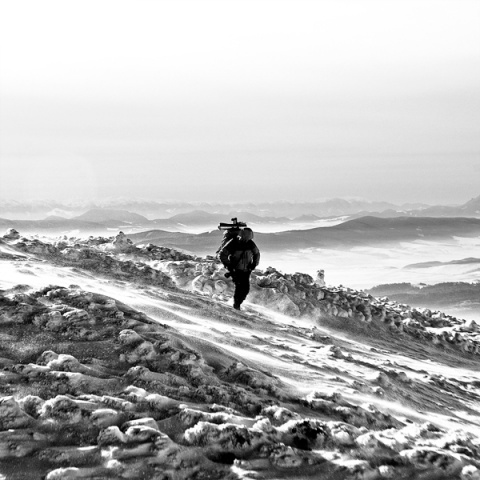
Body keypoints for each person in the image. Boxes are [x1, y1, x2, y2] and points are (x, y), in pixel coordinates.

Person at [219, 228, 260, 310]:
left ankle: (238, 303)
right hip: (236, 270)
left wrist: (253, 264)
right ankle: (236, 305)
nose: (248, 238)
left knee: (245, 289)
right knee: (240, 288)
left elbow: (257, 254)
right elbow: (222, 254)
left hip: (246, 271)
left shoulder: (250, 243)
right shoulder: (234, 243)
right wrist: (229, 265)